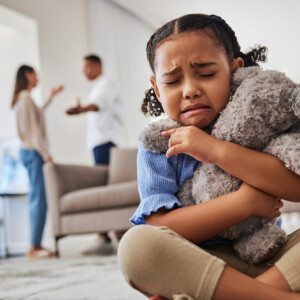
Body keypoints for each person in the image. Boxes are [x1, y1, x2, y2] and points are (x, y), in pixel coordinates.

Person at [117, 14, 300, 300]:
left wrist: (215, 150)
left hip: (272, 259)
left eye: (206, 74)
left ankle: (250, 294)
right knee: (135, 248)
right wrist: (243, 203)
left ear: (235, 69)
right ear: (157, 88)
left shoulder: (258, 121)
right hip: (203, 265)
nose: (190, 90)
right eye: (173, 80)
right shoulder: (156, 145)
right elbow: (159, 228)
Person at [66, 54, 124, 255]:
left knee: (106, 185)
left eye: (87, 67)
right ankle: (106, 232)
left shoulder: (106, 83)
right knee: (103, 184)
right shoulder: (96, 87)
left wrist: (82, 109)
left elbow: (98, 105)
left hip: (106, 142)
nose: (84, 72)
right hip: (99, 142)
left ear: (98, 65)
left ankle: (111, 231)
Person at [12, 65, 64, 259]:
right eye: (35, 73)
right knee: (39, 199)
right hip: (33, 152)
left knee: (38, 197)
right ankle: (34, 246)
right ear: (27, 74)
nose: (37, 77)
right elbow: (33, 131)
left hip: (29, 152)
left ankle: (35, 244)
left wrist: (50, 97)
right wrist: (45, 154)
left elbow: (37, 115)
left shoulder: (23, 99)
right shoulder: (25, 98)